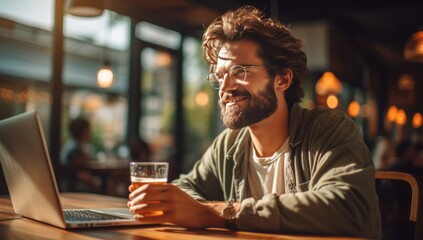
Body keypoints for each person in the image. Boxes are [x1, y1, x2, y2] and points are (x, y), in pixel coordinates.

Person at [127, 5, 381, 239]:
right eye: (220, 76)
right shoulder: (229, 144)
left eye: (240, 71)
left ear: (282, 79)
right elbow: (186, 188)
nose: (225, 87)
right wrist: (187, 207)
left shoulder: (328, 130)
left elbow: (348, 207)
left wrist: (220, 213)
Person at [60, 117, 101, 192]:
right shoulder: (74, 149)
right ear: (83, 131)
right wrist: (97, 184)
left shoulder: (72, 144)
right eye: (88, 129)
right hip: (73, 188)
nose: (90, 131)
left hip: (69, 185)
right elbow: (80, 174)